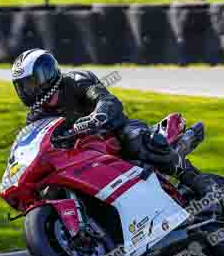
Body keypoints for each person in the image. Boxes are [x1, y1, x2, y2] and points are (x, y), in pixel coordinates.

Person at [11, 48, 211, 197]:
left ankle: (201, 183)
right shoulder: (36, 117)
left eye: (33, 82)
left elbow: (107, 100)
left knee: (136, 139)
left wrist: (97, 116)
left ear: (47, 73)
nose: (31, 90)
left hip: (113, 134)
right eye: (25, 87)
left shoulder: (76, 80)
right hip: (80, 157)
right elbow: (33, 146)